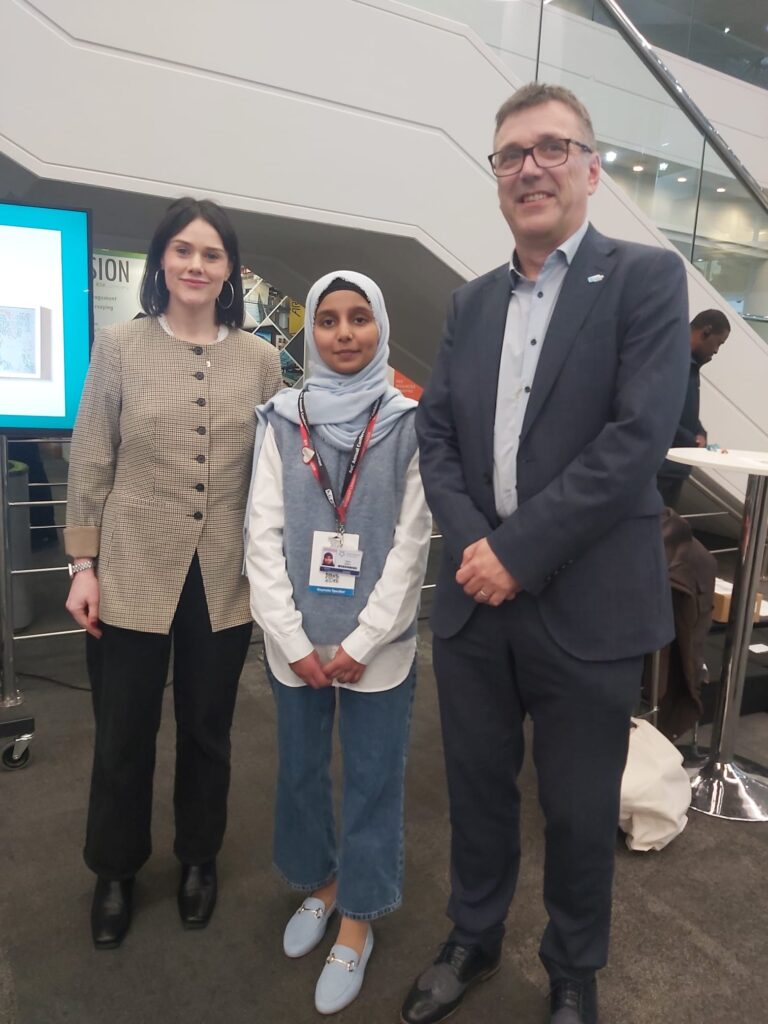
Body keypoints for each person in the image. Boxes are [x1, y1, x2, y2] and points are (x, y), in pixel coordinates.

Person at [400, 83, 690, 1024]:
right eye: (511, 154)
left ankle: (573, 969)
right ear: (495, 180)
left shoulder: (646, 280)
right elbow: (435, 437)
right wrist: (479, 549)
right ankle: (473, 939)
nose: (530, 167)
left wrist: (515, 552)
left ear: (591, 168)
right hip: (478, 604)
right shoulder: (468, 304)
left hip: (587, 603)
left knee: (575, 812)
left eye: (551, 148)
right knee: (479, 795)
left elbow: (635, 442)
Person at [64, 197, 282, 949]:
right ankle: (115, 868)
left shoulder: (259, 359)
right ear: (163, 260)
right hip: (129, 566)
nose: (196, 264)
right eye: (184, 250)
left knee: (208, 730)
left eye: (212, 254)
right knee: (123, 730)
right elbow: (92, 455)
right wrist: (82, 564)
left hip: (223, 573)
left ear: (230, 271)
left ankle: (199, 858)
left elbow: (274, 471)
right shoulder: (121, 346)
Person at [245, 270, 431, 1015]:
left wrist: (362, 639)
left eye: (359, 318)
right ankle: (322, 881)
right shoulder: (282, 418)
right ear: (311, 331)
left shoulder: (409, 419)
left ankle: (359, 917)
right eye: (329, 320)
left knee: (372, 781)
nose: (345, 333)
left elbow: (414, 541)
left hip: (376, 649)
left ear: (380, 327)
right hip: (295, 645)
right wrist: (290, 638)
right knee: (299, 775)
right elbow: (262, 533)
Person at [656, 309, 730, 509]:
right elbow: (658, 413)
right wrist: (690, 440)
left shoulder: (691, 366)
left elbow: (684, 412)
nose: (716, 351)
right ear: (706, 331)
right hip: (659, 467)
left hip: (674, 468)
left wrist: (699, 432)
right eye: (719, 343)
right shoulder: (671, 361)